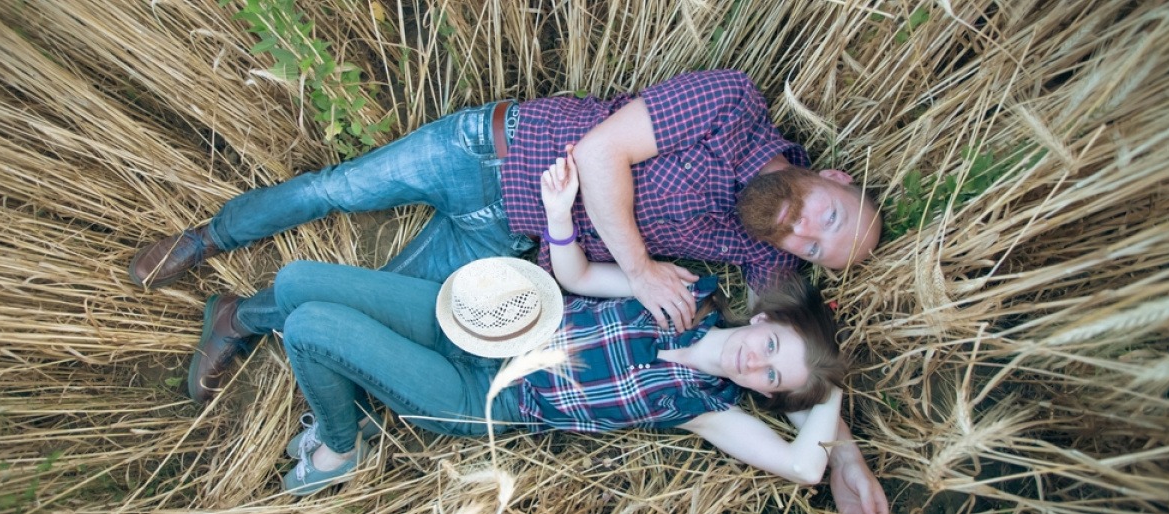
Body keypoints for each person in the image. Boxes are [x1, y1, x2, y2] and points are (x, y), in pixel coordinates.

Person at [183, 156, 888, 512]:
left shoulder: (705, 406)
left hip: (476, 392)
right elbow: (577, 272)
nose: (754, 363)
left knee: (310, 326)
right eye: (770, 348)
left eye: (772, 378)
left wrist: (827, 383)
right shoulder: (682, 295)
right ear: (761, 319)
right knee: (303, 277)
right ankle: (244, 324)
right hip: (473, 319)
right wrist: (557, 211)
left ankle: (340, 445)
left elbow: (803, 467)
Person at [130, 70, 882, 333]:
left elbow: (794, 343)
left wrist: (839, 456)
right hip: (486, 151)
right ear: (836, 181)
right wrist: (644, 269)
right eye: (830, 220)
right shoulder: (732, 107)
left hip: (514, 233)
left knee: (374, 295)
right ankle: (209, 238)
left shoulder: (760, 243)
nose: (805, 233)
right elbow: (597, 154)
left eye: (816, 249)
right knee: (337, 189)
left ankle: (235, 317)